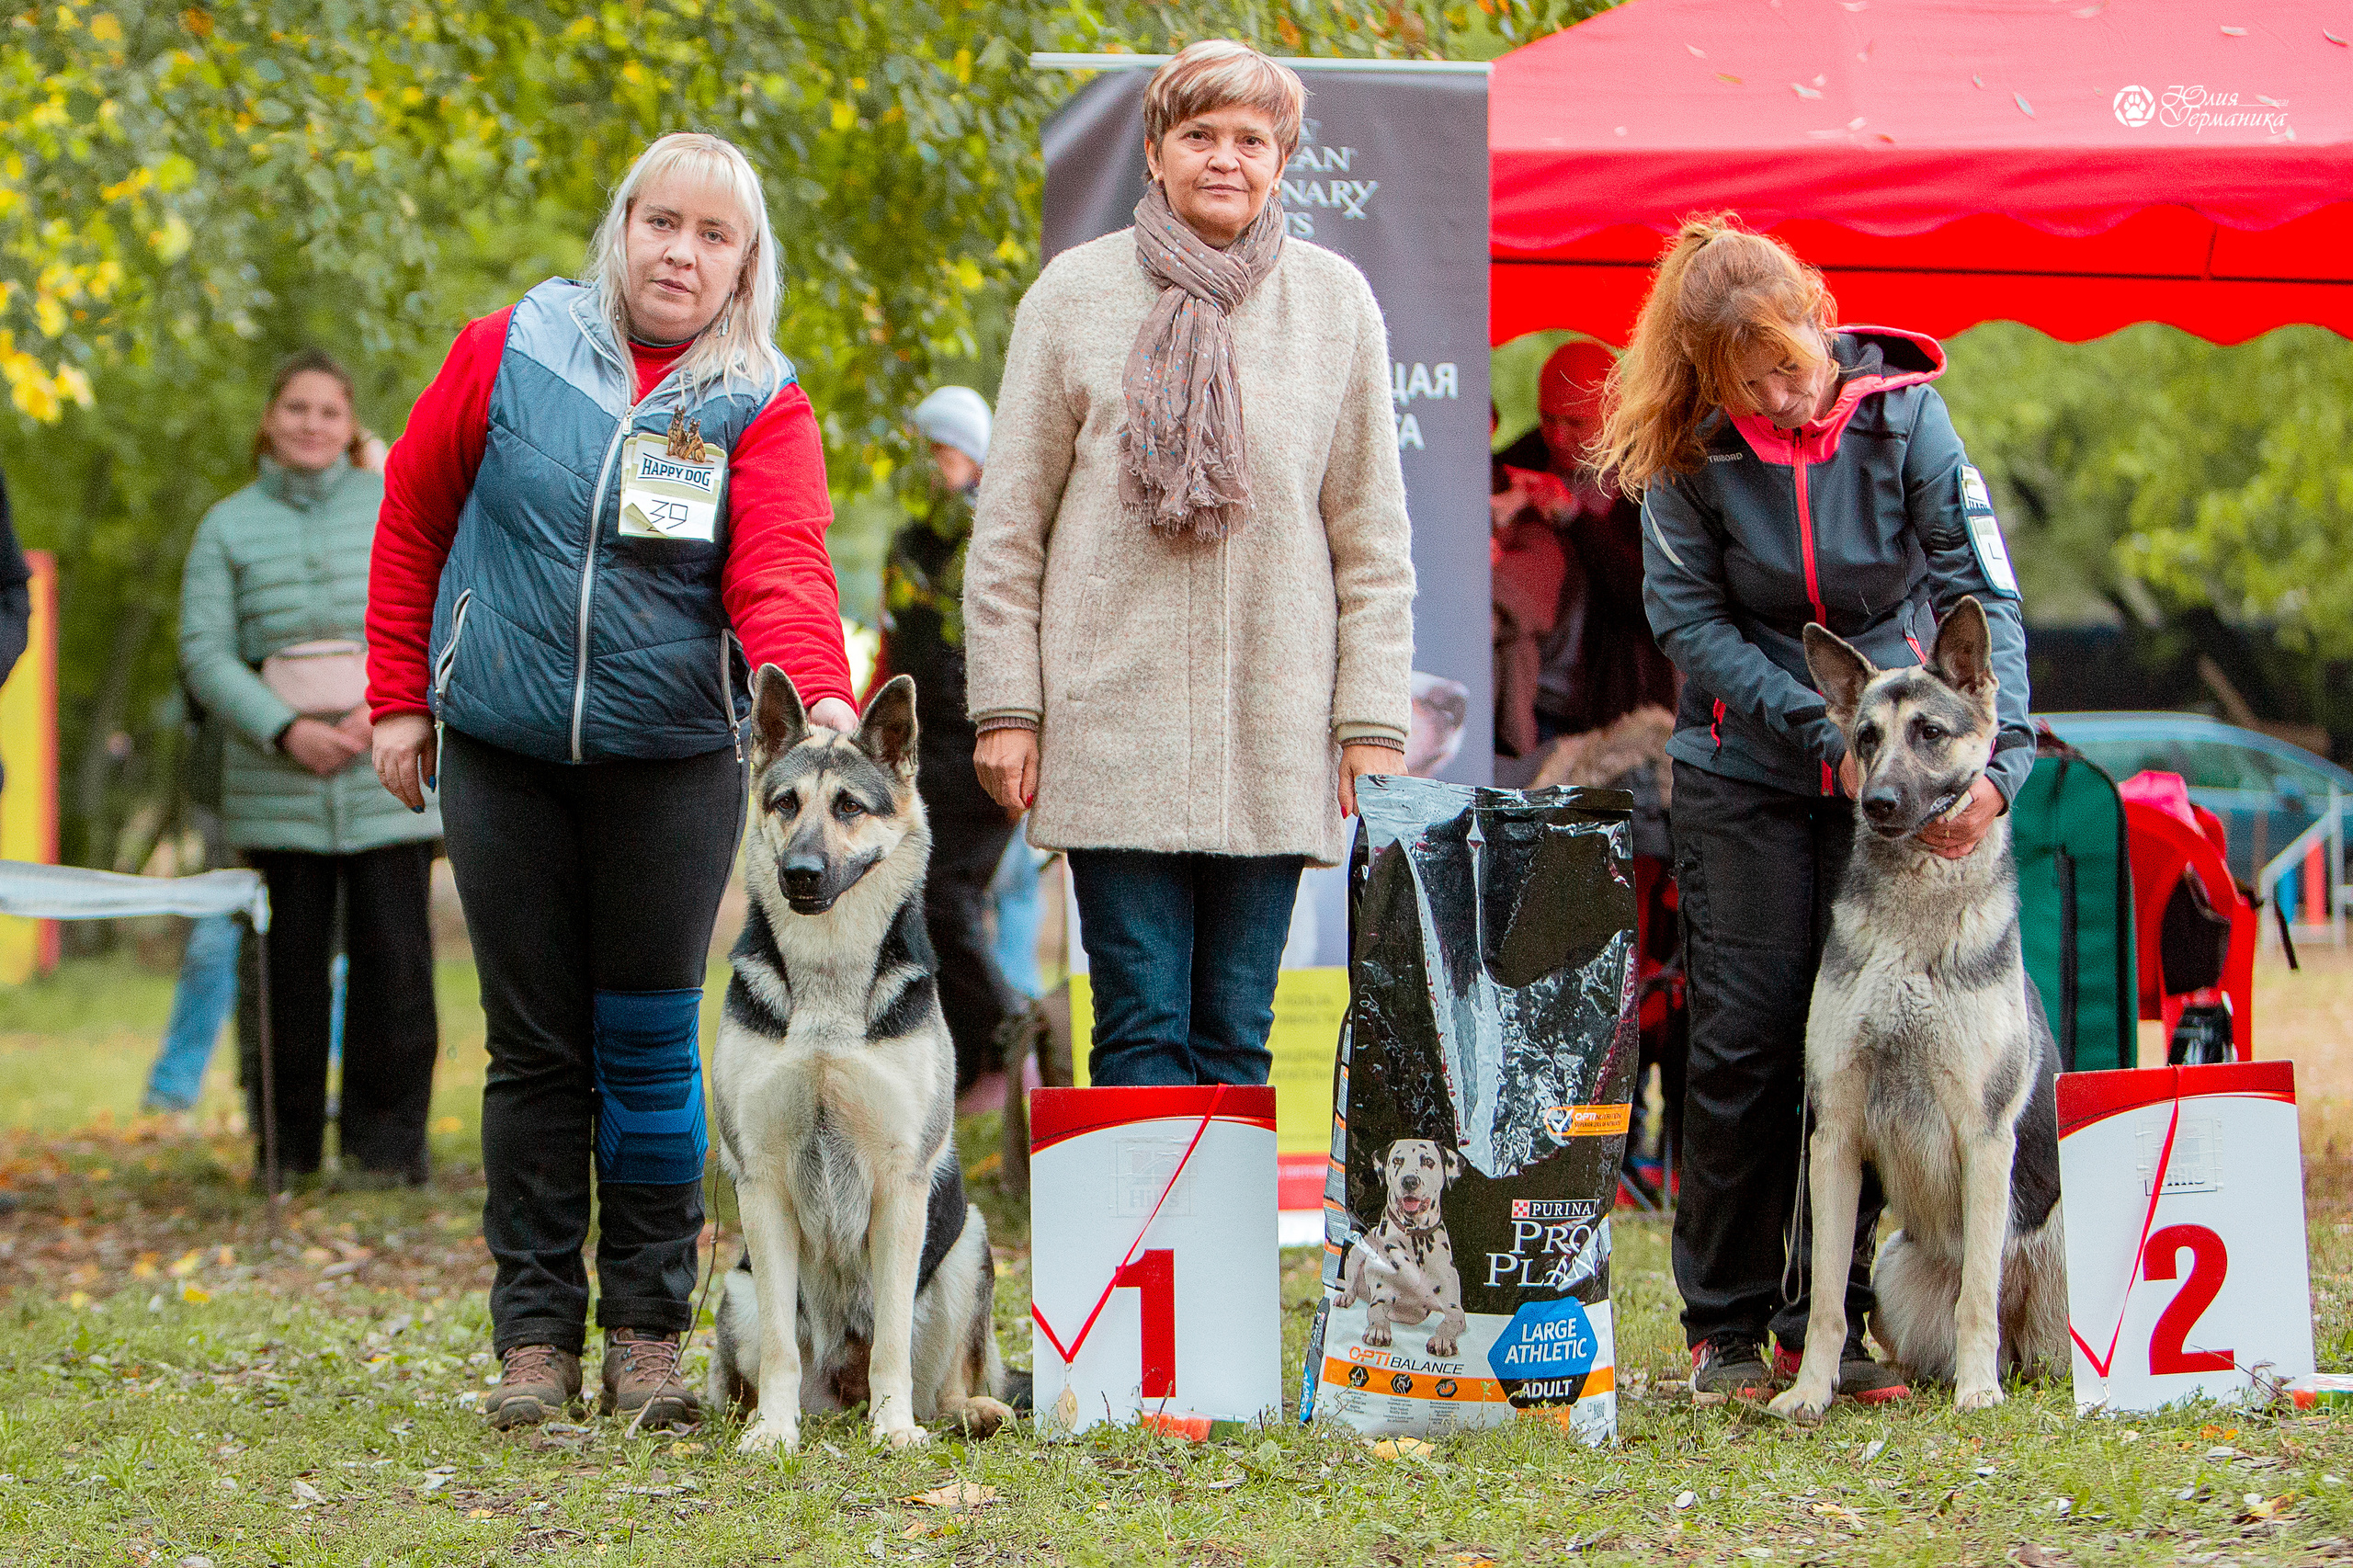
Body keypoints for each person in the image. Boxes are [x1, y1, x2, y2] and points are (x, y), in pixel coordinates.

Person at [366, 131, 856, 1433]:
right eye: (662, 223)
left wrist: (818, 702)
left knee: (646, 1055)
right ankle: (533, 1338)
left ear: (746, 261)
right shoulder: (508, 349)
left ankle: (646, 1329)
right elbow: (413, 516)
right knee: (532, 1054)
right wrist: (399, 697)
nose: (680, 253)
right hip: (503, 754)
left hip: (669, 767)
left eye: (713, 235)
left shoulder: (761, 400)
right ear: (622, 224)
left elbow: (783, 570)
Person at [1604, 215, 2033, 1404]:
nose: (1783, 399)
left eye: (1792, 366)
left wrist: (2008, 760)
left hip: (1893, 771)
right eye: (1750, 385)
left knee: (1882, 1056)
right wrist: (1818, 722)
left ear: (1820, 317)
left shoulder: (1908, 418)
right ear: (1707, 377)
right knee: (1746, 1039)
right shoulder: (1687, 453)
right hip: (1753, 769)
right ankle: (1727, 1324)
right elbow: (1686, 625)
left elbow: (1978, 589)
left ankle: (1826, 1324)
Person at [963, 40, 1416, 1087]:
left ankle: (1214, 1261)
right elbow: (1009, 529)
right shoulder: (1072, 295)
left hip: (1274, 719)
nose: (1226, 158)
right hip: (1112, 718)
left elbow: (1372, 538)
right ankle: (1141, 1258)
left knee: (1233, 1035)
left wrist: (1370, 723)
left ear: (1282, 158)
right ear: (1156, 154)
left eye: (1251, 139)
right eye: (1199, 135)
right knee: (1138, 1024)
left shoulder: (1335, 304)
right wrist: (1007, 706)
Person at [178, 349, 443, 1187]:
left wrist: (386, 712)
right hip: (274, 786)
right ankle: (285, 1156)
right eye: (296, 408)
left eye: (328, 411)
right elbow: (204, 652)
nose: (311, 424)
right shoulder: (226, 526)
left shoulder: (394, 504)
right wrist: (284, 727)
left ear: (349, 422)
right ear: (270, 419)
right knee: (284, 984)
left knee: (396, 977)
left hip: (386, 776)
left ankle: (387, 1157)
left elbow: (438, 610)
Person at [881, 385, 1029, 1096]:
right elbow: (890, 651)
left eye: (944, 451)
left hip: (980, 751)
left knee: (947, 899)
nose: (932, 466)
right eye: (924, 452)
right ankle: (974, 1067)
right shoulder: (908, 546)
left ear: (973, 456)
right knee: (920, 904)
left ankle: (1010, 1045)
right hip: (916, 754)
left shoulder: (992, 540)